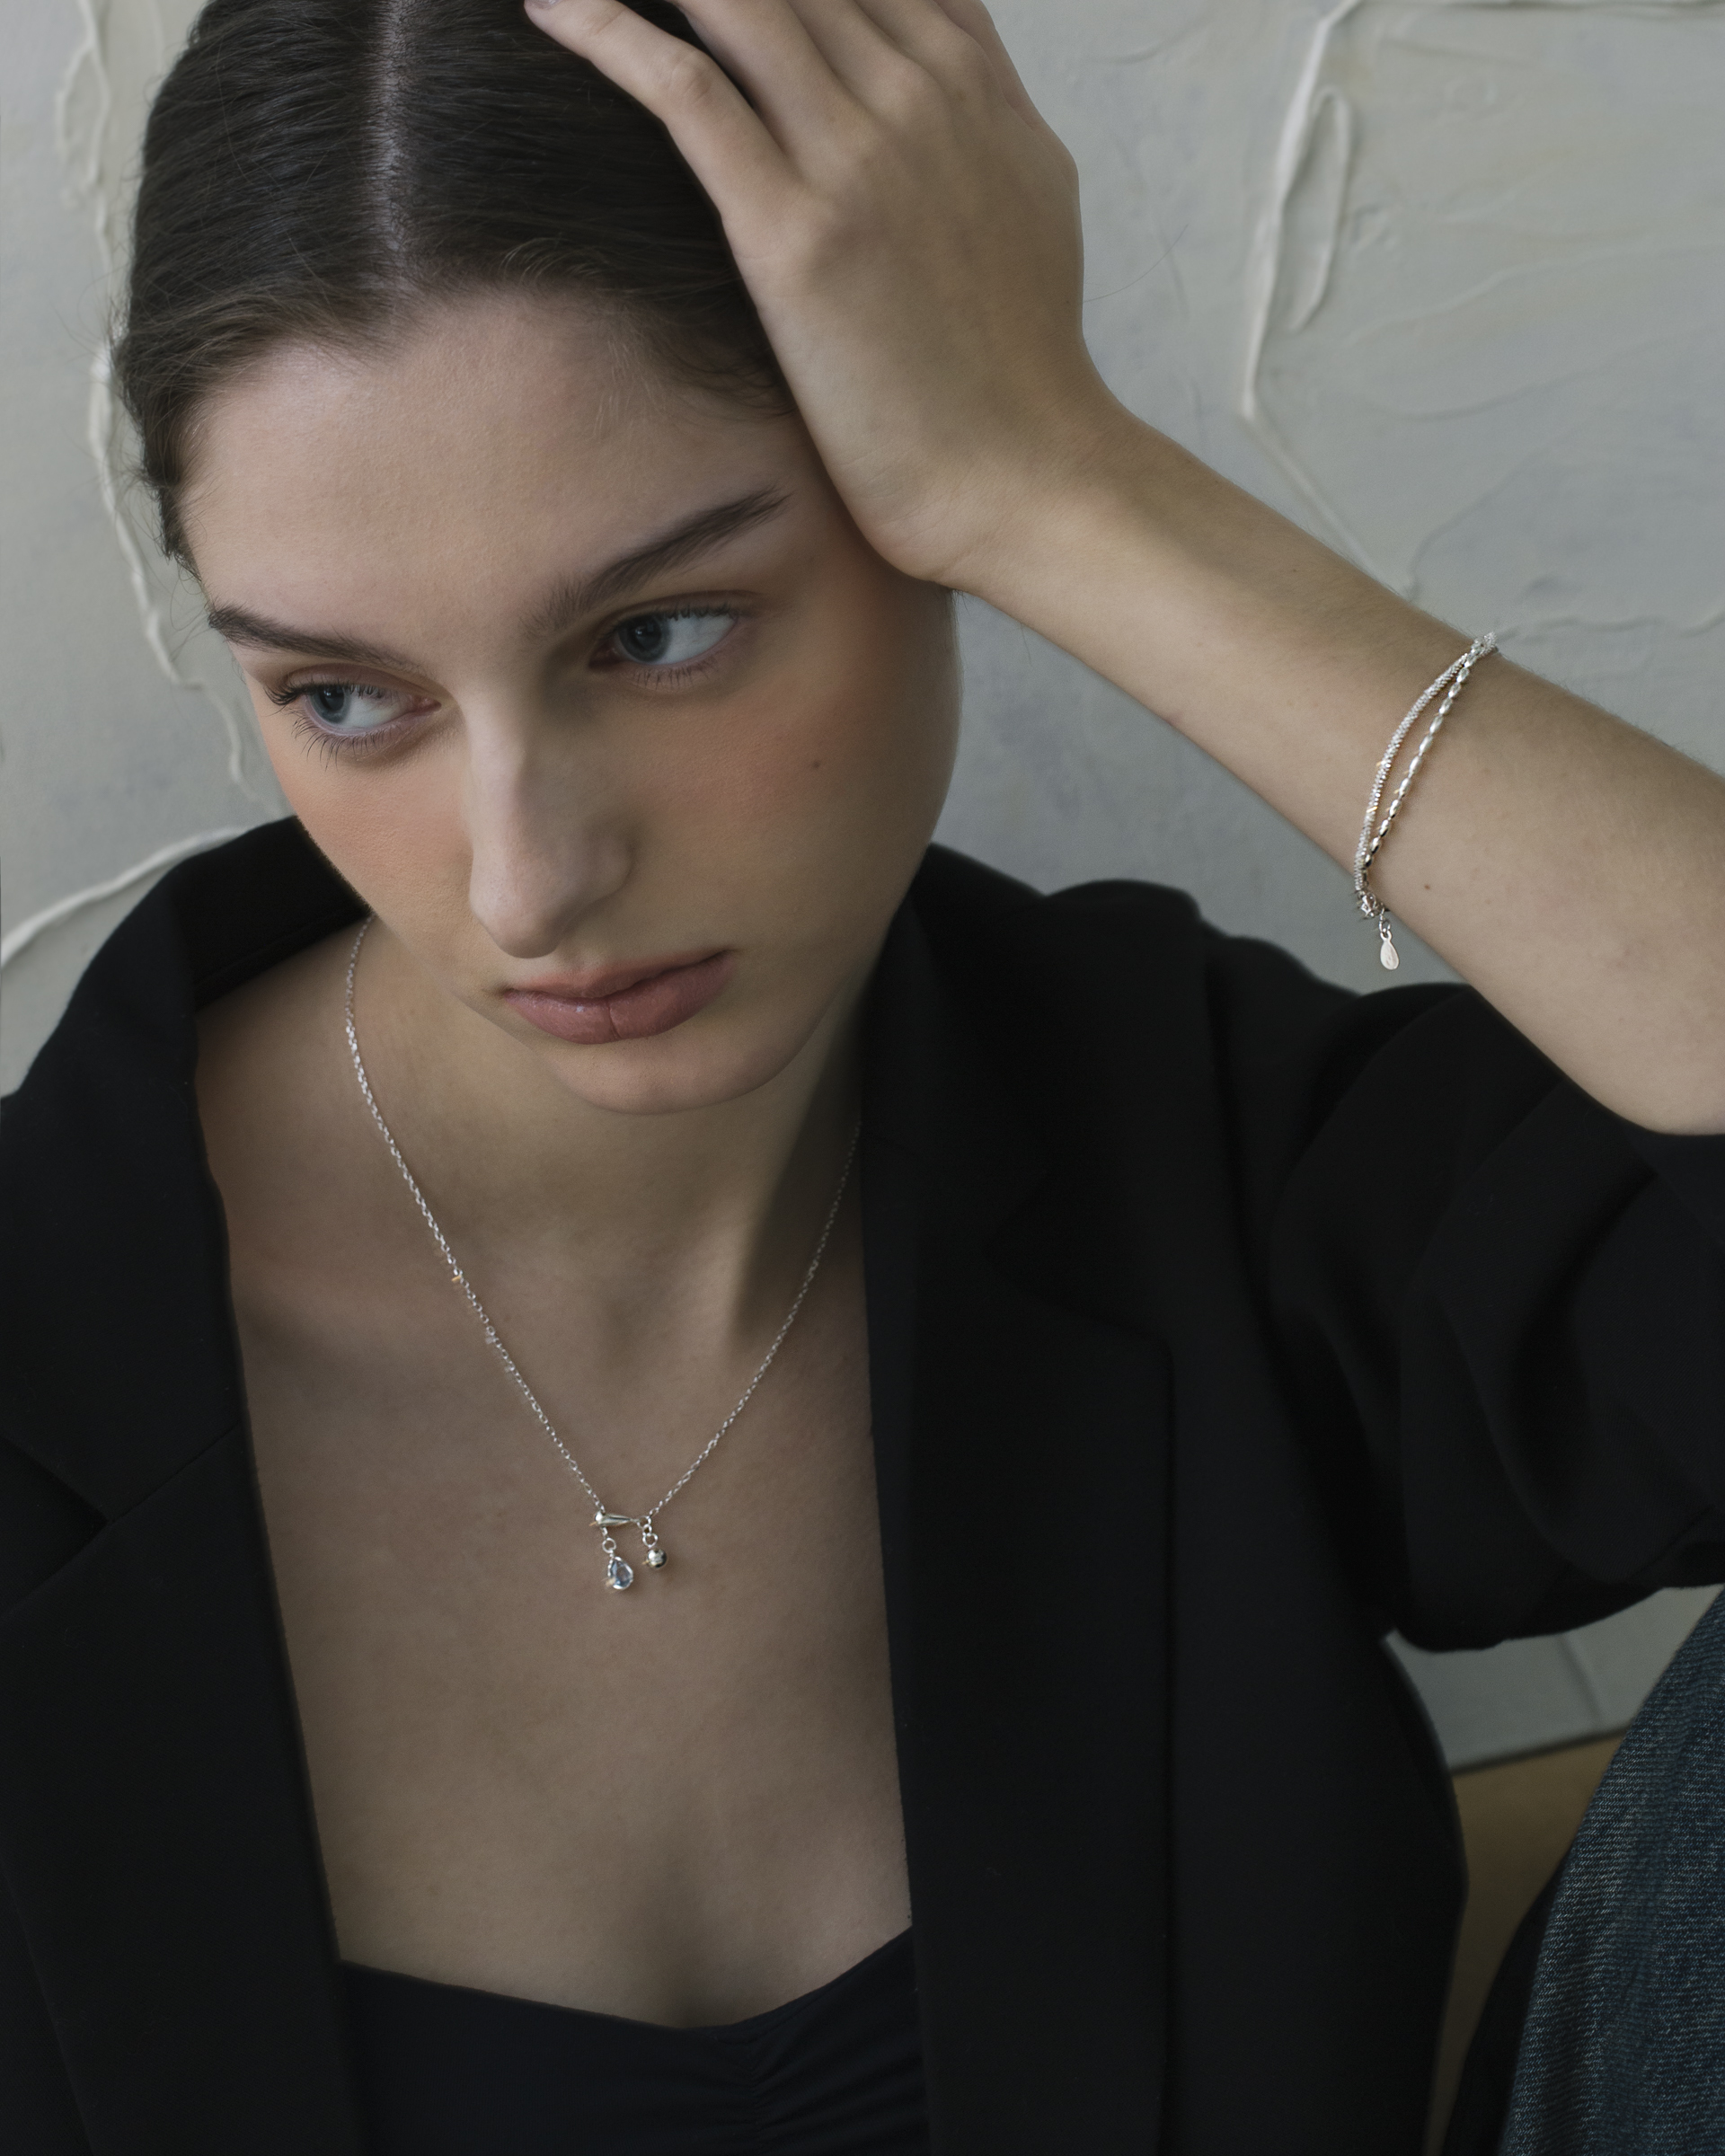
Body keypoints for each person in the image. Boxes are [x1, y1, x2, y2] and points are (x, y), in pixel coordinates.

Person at [2, 1, 1722, 2150]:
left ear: (915, 520)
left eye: (660, 632)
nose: (529, 877)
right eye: (349, 697)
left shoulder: (1184, 1154)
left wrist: (1069, 479)